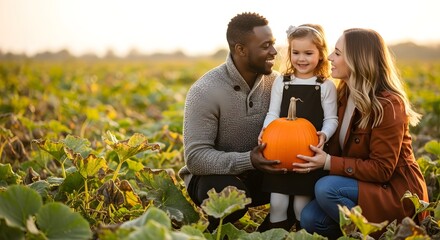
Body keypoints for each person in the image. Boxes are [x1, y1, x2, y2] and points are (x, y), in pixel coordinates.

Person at [294, 28, 429, 239]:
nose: (329, 57)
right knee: (310, 218)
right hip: (359, 183)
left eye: (337, 53)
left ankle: (375, 233)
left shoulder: (389, 104)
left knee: (326, 188)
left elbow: (382, 169)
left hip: (394, 193)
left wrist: (328, 162)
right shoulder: (344, 93)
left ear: (358, 60)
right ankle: (359, 231)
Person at [177, 12, 286, 231]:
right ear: (241, 50)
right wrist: (249, 160)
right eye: (266, 46)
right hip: (213, 178)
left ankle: (271, 230)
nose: (274, 51)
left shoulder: (278, 83)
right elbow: (196, 158)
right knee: (229, 196)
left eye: (273, 44)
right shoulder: (205, 91)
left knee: (312, 180)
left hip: (262, 175)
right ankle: (212, 231)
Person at [258, 24, 338, 231]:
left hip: (307, 155)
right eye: (296, 53)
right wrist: (266, 131)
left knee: (301, 205)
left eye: (308, 53)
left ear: (320, 55)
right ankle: (277, 233)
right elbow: (273, 114)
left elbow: (332, 119)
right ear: (290, 53)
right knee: (277, 203)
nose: (301, 58)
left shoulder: (325, 85)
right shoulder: (282, 82)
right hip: (280, 152)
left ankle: (301, 234)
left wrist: (325, 134)